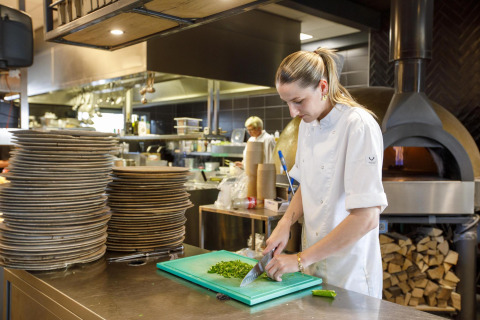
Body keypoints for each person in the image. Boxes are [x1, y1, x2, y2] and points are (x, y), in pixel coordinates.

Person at [263, 48, 388, 299]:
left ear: (323, 87)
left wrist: (298, 260)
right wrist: (285, 223)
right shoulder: (309, 125)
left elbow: (366, 218)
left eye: (298, 101)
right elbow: (307, 185)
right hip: (314, 266)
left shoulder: (358, 125)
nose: (293, 112)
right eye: (287, 102)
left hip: (350, 275)